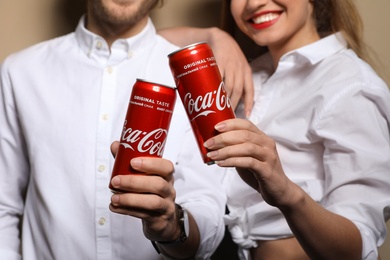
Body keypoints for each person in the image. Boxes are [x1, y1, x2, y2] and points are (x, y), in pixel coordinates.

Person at [0, 0, 253, 259]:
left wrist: (172, 227)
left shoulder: (195, 78)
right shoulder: (20, 72)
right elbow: (3, 205)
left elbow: (206, 208)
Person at [200, 0, 390, 259]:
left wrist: (287, 194)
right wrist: (215, 35)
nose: (254, 3)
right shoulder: (248, 73)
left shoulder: (352, 86)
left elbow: (358, 248)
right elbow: (148, 40)